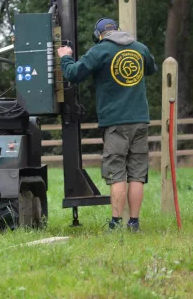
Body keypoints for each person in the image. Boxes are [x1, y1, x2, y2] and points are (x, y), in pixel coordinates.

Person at [57, 18, 157, 232]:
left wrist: (65, 57)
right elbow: (151, 69)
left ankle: (115, 223)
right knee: (137, 175)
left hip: (115, 123)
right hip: (140, 120)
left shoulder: (99, 51)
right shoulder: (140, 48)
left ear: (98, 35)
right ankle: (134, 223)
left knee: (117, 174)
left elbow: (73, 74)